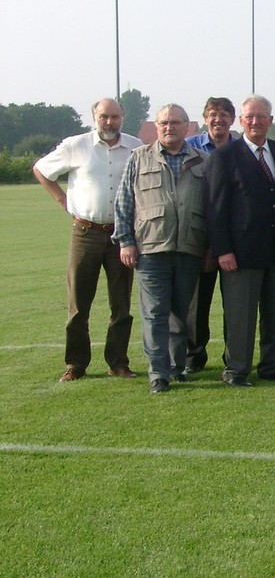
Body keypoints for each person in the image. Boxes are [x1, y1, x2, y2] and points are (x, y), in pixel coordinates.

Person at [33, 98, 143, 382]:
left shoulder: (136, 147)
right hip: (85, 233)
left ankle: (118, 362)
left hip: (122, 235)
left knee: (121, 305)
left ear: (122, 117)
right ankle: (76, 364)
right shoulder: (76, 145)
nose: (109, 122)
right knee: (78, 304)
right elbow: (41, 169)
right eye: (104, 116)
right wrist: (62, 199)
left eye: (115, 116)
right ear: (94, 116)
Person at [206, 95, 275, 386]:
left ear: (271, 120)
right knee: (240, 317)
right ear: (241, 121)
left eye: (261, 117)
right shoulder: (225, 156)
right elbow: (216, 208)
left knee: (274, 315)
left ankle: (270, 367)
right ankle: (236, 370)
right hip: (240, 253)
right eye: (250, 117)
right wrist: (223, 250)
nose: (256, 122)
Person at [114, 104, 208, 394]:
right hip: (150, 248)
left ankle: (176, 367)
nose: (170, 127)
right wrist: (126, 241)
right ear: (156, 126)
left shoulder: (202, 160)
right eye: (164, 122)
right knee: (155, 313)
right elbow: (124, 202)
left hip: (189, 247)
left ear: (187, 127)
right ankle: (158, 373)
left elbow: (212, 207)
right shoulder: (139, 158)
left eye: (176, 122)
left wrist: (209, 248)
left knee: (180, 313)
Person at [182, 96, 236, 375]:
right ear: (204, 118)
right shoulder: (188, 148)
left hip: (234, 239)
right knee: (197, 303)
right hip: (198, 236)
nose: (219, 119)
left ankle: (234, 356)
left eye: (224, 114)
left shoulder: (241, 149)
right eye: (213, 114)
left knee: (234, 303)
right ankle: (194, 356)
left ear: (232, 120)